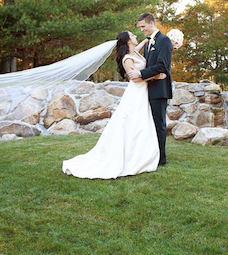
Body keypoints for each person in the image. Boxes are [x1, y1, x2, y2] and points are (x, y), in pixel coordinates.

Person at [62, 31, 165, 179]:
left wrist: (149, 40)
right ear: (128, 40)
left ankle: (142, 152)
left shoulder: (135, 52)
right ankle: (130, 156)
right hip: (136, 93)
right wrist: (156, 76)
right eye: (133, 35)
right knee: (133, 124)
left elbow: (142, 47)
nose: (136, 36)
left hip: (143, 93)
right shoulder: (127, 59)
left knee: (141, 123)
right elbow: (135, 79)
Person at [128, 13, 173, 166]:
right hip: (149, 87)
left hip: (159, 89)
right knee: (149, 124)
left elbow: (162, 66)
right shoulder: (150, 41)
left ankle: (161, 158)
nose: (142, 30)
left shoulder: (164, 40)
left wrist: (140, 73)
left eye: (143, 26)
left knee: (159, 124)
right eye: (140, 27)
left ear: (151, 23)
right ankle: (151, 154)